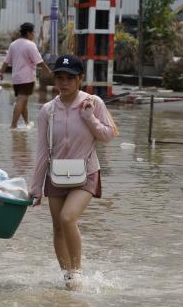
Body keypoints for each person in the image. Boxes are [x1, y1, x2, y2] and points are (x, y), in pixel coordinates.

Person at [29, 54, 118, 290]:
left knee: (68, 218)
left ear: (80, 79)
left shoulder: (93, 102)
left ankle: (77, 271)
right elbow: (41, 151)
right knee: (58, 226)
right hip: (55, 174)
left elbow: (108, 136)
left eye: (69, 78)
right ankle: (67, 278)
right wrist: (35, 187)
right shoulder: (47, 111)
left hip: (86, 172)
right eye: (59, 77)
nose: (64, 83)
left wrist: (89, 119)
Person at [0, 22, 52, 129]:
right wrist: (48, 70)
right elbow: (39, 61)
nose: (34, 35)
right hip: (27, 78)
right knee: (21, 100)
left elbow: (6, 61)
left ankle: (27, 122)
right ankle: (13, 125)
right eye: (33, 32)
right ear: (28, 33)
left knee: (23, 100)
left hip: (16, 79)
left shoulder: (13, 44)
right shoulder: (30, 45)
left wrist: (1, 72)